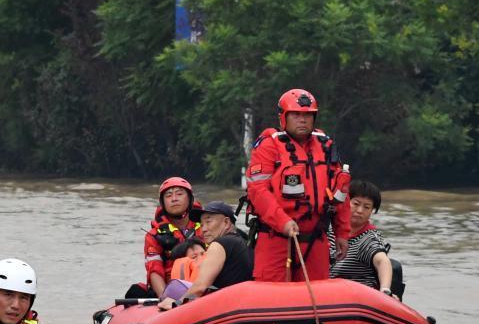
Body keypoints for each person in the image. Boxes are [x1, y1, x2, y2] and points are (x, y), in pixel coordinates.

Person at [245, 88, 352, 282]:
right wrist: (282, 221)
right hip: (275, 237)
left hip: (315, 239)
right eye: (296, 115)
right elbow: (258, 192)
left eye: (307, 115)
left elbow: (341, 193)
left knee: (317, 296)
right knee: (272, 296)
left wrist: (342, 233)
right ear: (283, 117)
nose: (302, 120)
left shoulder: (326, 147)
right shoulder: (268, 146)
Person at [158, 202, 252, 309]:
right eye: (202, 224)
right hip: (244, 306)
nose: (203, 229)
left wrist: (177, 303)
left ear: (226, 222)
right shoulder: (246, 243)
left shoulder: (220, 244)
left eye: (208, 222)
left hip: (226, 310)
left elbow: (200, 287)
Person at [126, 177, 203, 299]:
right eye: (168, 195)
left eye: (179, 194)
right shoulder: (154, 235)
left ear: (190, 199)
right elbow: (155, 271)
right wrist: (166, 299)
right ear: (162, 203)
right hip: (174, 289)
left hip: (206, 283)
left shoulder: (205, 226)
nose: (174, 199)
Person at [330, 181, 396, 295]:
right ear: (345, 203)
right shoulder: (328, 230)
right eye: (356, 204)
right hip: (323, 293)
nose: (360, 211)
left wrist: (385, 289)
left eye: (366, 207)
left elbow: (382, 261)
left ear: (372, 211)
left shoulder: (369, 238)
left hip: (356, 298)